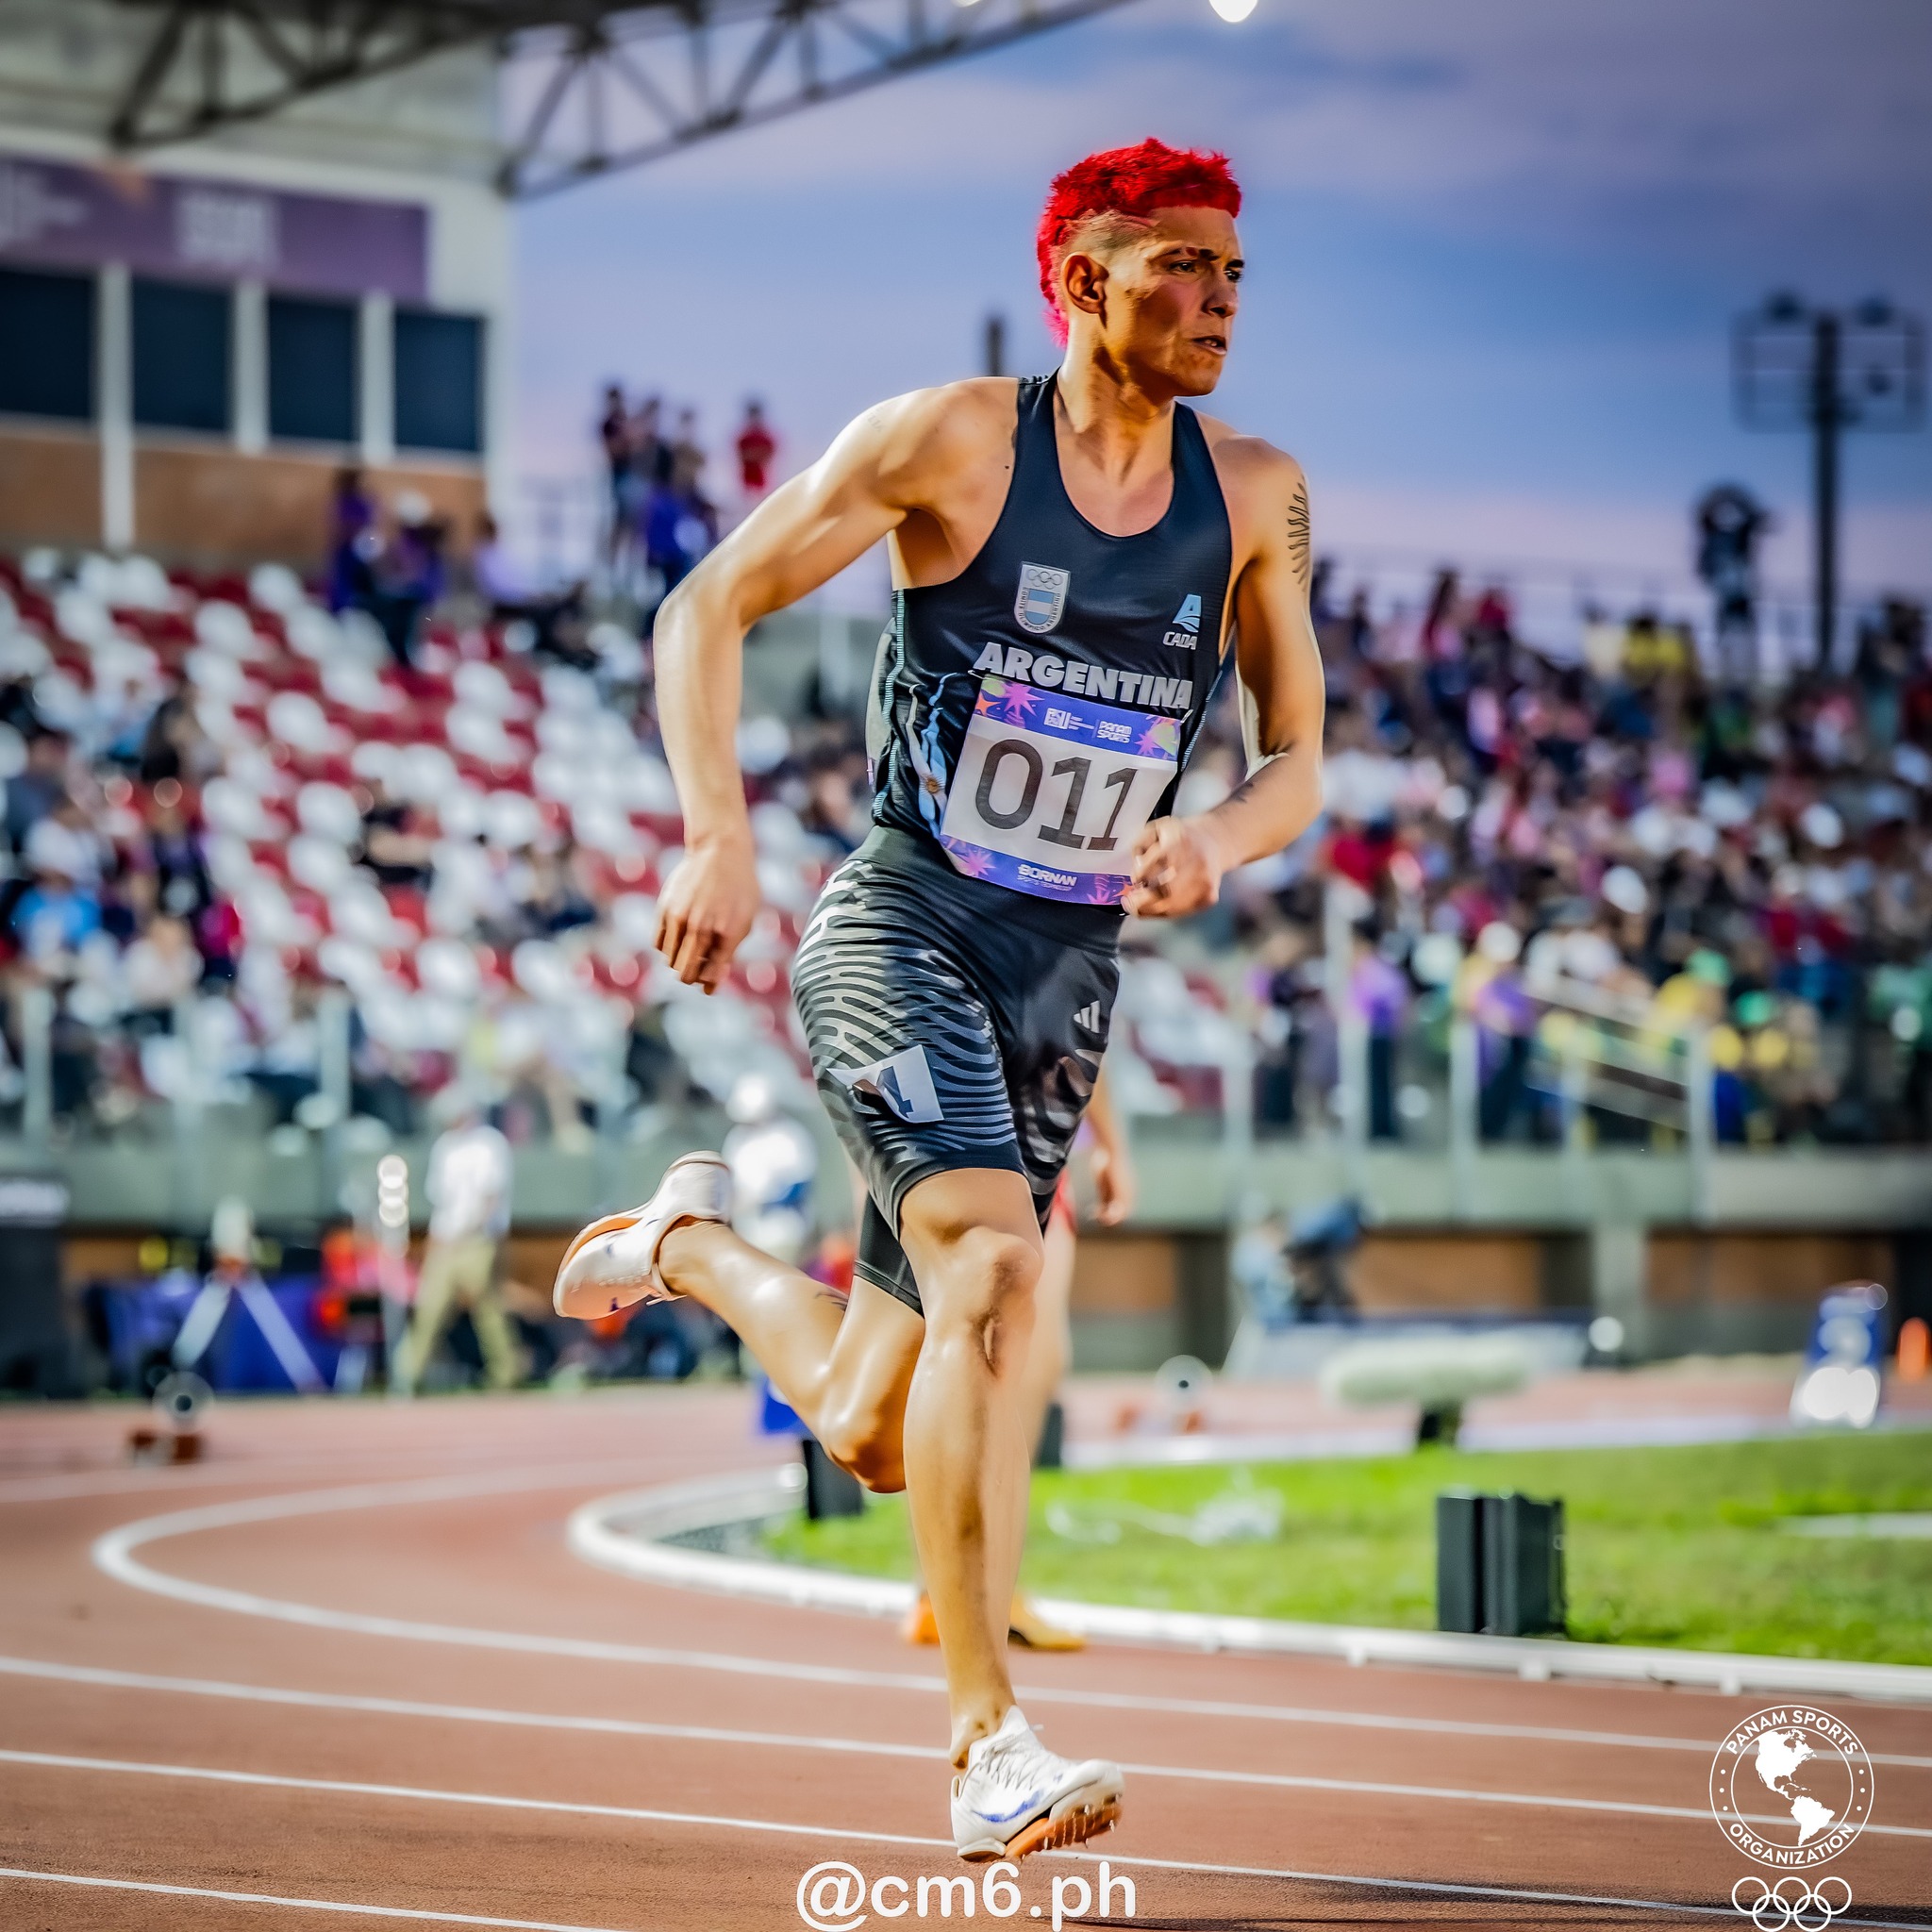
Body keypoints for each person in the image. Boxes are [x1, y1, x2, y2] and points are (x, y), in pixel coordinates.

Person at [553, 138, 1324, 1863]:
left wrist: (1213, 833)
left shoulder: (1258, 490)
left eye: (1232, 276)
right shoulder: (952, 442)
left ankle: (681, 1245)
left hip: (1065, 975)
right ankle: (984, 1740)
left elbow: (1298, 760)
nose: (1213, 303)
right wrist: (714, 831)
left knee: (869, 1429)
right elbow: (708, 601)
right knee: (993, 1262)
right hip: (899, 919)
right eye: (1177, 271)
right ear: (1081, 282)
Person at [900, 1062, 1132, 1653]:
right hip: (1018, 1150)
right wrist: (1112, 1144)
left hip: (932, 1140)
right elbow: (1078, 1024)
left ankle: (936, 1590)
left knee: (952, 1362)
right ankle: (989, 1593)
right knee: (1024, 1367)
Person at [394, 1100, 518, 1394]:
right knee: (430, 1305)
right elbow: (443, 1201)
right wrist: (437, 1241)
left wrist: (473, 1230)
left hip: (477, 1239)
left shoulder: (490, 1143)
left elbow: (491, 1195)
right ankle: (407, 1375)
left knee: (487, 1308)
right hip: (448, 1239)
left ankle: (506, 1373)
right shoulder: (445, 1146)